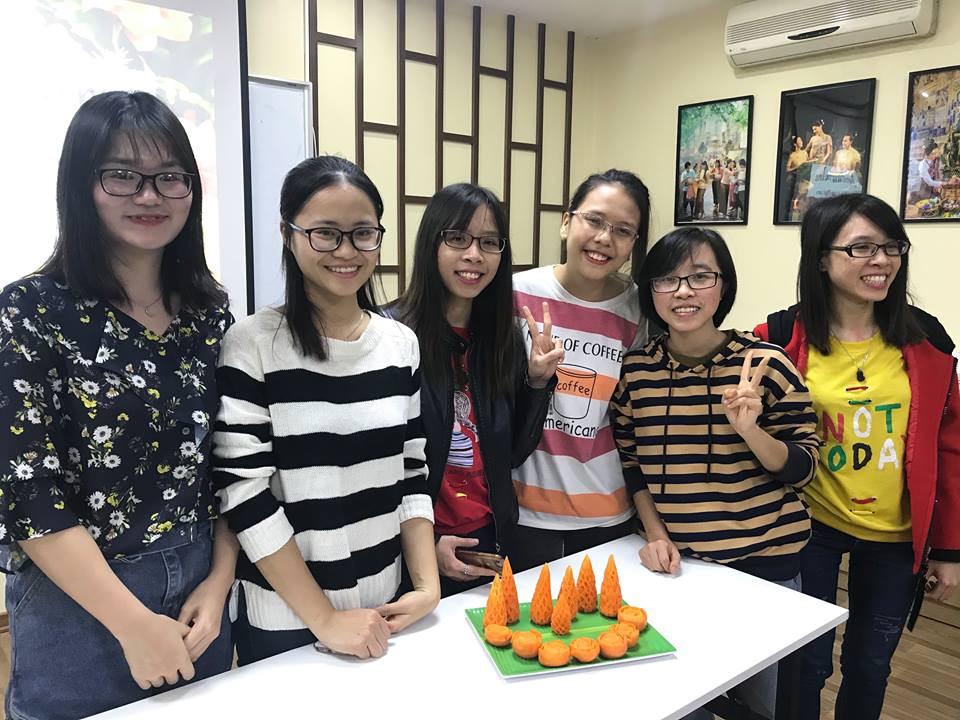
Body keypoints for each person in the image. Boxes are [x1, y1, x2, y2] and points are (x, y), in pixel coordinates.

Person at [0, 91, 235, 720]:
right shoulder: (29, 311)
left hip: (199, 590)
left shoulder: (208, 316)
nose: (150, 196)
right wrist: (133, 624)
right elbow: (27, 491)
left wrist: (220, 583)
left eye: (169, 177)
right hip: (78, 598)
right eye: (123, 175)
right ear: (82, 186)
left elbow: (229, 466)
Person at [212, 156, 440, 665]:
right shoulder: (253, 344)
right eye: (325, 234)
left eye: (363, 234)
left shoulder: (400, 344)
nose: (346, 251)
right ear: (287, 234)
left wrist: (426, 586)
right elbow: (244, 493)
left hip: (386, 606)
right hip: (287, 619)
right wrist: (326, 619)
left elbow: (411, 471)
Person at [755, 194, 960, 720]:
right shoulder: (778, 337)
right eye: (862, 247)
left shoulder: (928, 340)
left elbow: (949, 448)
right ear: (821, 258)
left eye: (892, 246)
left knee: (870, 665)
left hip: (897, 534)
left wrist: (949, 548)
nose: (882, 260)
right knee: (805, 664)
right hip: (810, 526)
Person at [612, 227, 819, 720]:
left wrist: (751, 431)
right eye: (668, 279)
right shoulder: (636, 370)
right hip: (680, 569)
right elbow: (632, 463)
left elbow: (804, 467)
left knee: (762, 705)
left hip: (764, 566)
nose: (683, 292)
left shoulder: (764, 365)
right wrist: (656, 535)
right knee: (685, 698)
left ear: (723, 286)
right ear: (651, 291)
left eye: (700, 277)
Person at [395, 184, 562, 596]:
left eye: (489, 242)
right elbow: (379, 468)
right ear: (431, 243)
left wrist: (537, 382)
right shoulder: (392, 336)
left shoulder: (502, 340)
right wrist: (424, 545)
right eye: (458, 238)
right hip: (414, 548)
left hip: (490, 539)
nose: (474, 255)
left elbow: (513, 454)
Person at [510, 169, 651, 571]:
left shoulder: (638, 311)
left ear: (633, 244)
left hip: (606, 514)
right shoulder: (516, 294)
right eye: (594, 220)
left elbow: (630, 416)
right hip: (521, 512)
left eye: (623, 230)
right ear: (566, 222)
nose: (605, 238)